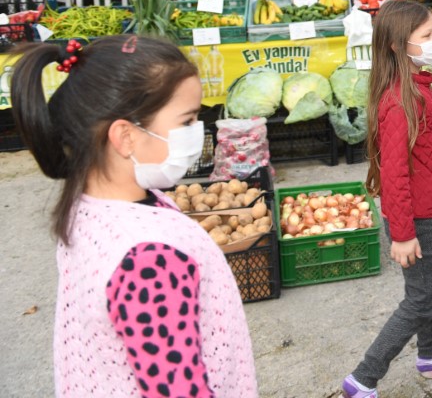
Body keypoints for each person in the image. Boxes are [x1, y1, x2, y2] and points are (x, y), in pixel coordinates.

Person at [8, 34, 258, 398]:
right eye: (187, 120)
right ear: (125, 137)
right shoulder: (148, 259)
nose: (196, 133)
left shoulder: (89, 206)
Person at [342, 0, 432, 398]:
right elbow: (394, 174)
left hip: (429, 210)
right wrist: (401, 233)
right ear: (399, 46)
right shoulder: (400, 102)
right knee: (420, 298)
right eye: (428, 36)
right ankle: (364, 377)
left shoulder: (418, 84)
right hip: (414, 217)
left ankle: (430, 354)